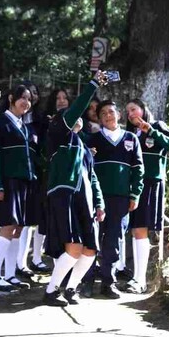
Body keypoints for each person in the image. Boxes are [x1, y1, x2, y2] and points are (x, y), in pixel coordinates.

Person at [43, 72, 108, 306]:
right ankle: (51, 291)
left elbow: (93, 178)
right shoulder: (58, 133)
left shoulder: (83, 146)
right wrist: (93, 84)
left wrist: (99, 203)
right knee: (74, 246)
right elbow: (76, 108)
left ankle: (71, 289)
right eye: (71, 116)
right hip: (65, 195)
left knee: (90, 250)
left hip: (86, 200)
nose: (76, 118)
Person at [81, 100, 144, 299]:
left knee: (114, 240)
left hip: (121, 199)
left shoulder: (131, 138)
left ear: (118, 114)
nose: (108, 116)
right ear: (99, 119)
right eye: (103, 114)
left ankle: (109, 282)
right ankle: (86, 281)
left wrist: (135, 194)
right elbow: (84, 168)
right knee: (91, 238)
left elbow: (138, 169)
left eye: (111, 112)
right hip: (96, 197)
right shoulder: (92, 139)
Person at [123, 98, 169, 294]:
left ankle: (140, 280)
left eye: (134, 109)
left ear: (143, 109)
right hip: (132, 185)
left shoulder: (157, 126)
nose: (131, 114)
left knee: (141, 230)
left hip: (151, 183)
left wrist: (151, 131)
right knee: (134, 230)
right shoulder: (129, 134)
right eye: (128, 112)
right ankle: (135, 277)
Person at [0, 84, 37, 291]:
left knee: (19, 228)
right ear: (11, 98)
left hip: (25, 183)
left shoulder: (25, 126)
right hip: (7, 183)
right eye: (22, 98)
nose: (26, 102)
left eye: (29, 99)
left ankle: (10, 275)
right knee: (7, 227)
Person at [17, 81, 51, 276]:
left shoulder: (41, 121)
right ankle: (18, 262)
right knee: (20, 221)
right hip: (19, 175)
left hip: (39, 175)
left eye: (35, 94)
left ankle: (33, 259)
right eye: (26, 96)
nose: (31, 98)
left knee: (36, 219)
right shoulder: (11, 119)